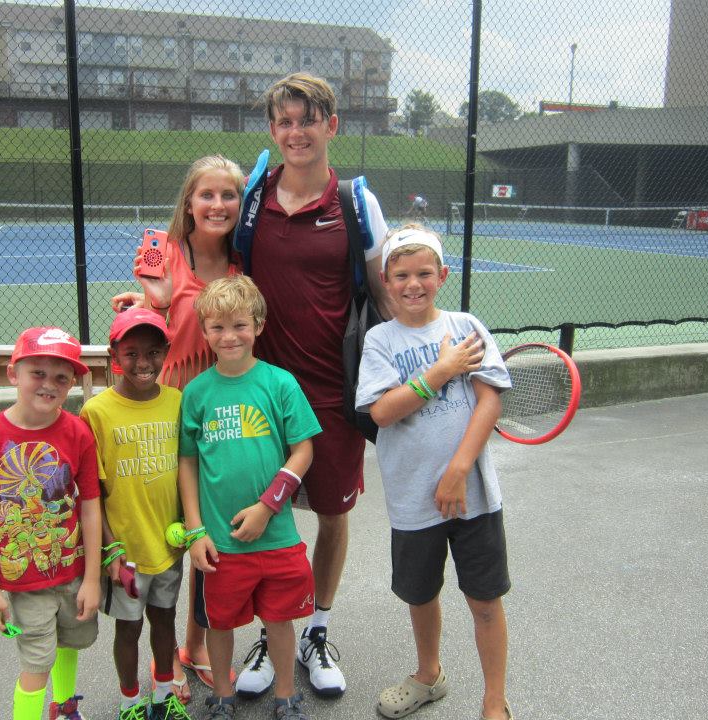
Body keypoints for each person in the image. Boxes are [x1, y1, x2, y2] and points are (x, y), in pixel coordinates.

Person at [234, 72, 484, 699]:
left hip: (333, 395)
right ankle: (272, 633)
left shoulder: (354, 203)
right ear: (272, 130)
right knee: (265, 515)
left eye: (308, 120)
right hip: (259, 394)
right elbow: (217, 269)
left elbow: (388, 294)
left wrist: (434, 360)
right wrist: (155, 300)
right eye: (285, 122)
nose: (296, 132)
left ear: (331, 126)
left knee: (331, 515)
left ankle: (316, 630)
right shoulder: (253, 197)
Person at [355, 226, 514, 720]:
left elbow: (489, 400)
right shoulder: (380, 340)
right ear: (386, 281)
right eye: (401, 275)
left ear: (442, 275)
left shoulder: (466, 326)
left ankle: (494, 701)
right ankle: (429, 676)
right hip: (412, 502)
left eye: (424, 273)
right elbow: (382, 412)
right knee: (421, 595)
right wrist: (441, 371)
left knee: (484, 601)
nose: (413, 284)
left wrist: (458, 469)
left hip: (474, 498)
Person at [110, 155, 245, 694]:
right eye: (206, 194)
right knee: (164, 535)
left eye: (229, 195)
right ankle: (163, 660)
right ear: (188, 201)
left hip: (218, 410)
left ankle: (195, 646)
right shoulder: (159, 246)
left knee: (206, 533)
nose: (217, 205)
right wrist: (150, 301)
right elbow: (150, 316)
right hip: (166, 408)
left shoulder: (242, 261)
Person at [178, 276, 322, 720]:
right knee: (219, 622)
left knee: (279, 620)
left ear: (258, 326)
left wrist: (266, 507)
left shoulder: (280, 383)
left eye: (239, 325)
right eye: (217, 327)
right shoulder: (196, 392)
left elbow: (303, 451)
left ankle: (286, 696)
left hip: (276, 536)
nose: (229, 336)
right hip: (220, 543)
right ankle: (222, 696)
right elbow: (187, 464)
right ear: (204, 332)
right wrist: (195, 530)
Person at [0, 326, 101, 720]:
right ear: (13, 374)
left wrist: (91, 578)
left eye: (61, 377)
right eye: (38, 373)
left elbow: (89, 506)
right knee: (37, 661)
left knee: (70, 642)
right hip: (26, 583)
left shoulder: (78, 434)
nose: (49, 384)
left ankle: (65, 706)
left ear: (72, 383)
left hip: (72, 571)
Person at [79, 308, 192, 720]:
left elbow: (189, 469)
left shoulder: (178, 402)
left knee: (165, 621)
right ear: (114, 355)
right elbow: (92, 491)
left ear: (166, 352)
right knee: (128, 628)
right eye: (131, 353)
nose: (143, 363)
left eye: (152, 352)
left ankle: (163, 696)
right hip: (125, 552)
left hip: (167, 545)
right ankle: (130, 702)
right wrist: (110, 548)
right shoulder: (96, 412)